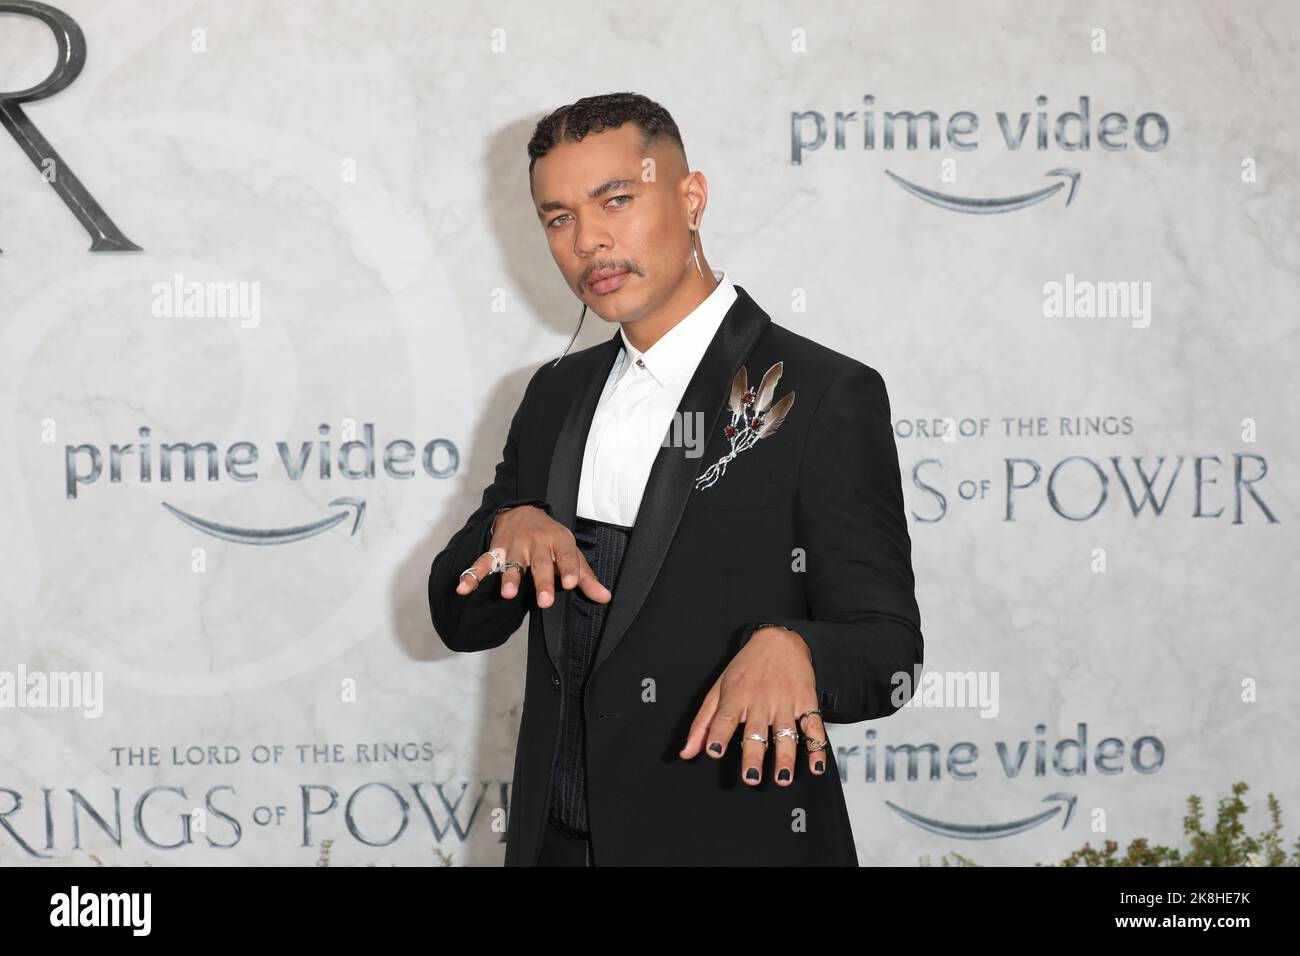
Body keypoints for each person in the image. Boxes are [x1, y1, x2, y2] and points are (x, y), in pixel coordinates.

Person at [428, 91, 923, 866]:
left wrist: (795, 646)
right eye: (558, 218)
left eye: (615, 200)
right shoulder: (554, 393)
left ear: (691, 198)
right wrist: (506, 530)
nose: (589, 240)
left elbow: (889, 654)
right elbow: (460, 620)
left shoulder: (826, 394)